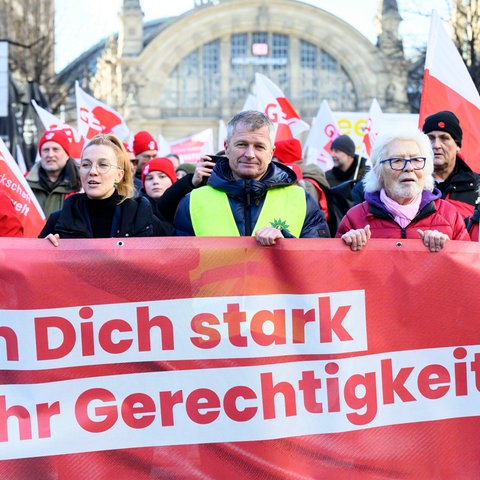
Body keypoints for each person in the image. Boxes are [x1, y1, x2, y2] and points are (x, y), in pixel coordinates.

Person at [174, 110, 330, 244]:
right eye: (241, 144)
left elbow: (317, 264)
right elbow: (182, 267)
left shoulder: (302, 201)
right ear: (227, 148)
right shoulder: (192, 202)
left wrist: (286, 244)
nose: (250, 154)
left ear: (271, 153)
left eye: (259, 147)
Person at [336, 129, 470, 252]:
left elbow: (467, 270)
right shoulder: (354, 218)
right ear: (379, 172)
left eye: (417, 160)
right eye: (397, 160)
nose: (409, 168)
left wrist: (449, 251)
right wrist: (348, 249)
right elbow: (335, 271)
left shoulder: (450, 215)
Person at [39, 134, 173, 244]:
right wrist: (44, 250)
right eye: (86, 164)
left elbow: (171, 260)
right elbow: (35, 268)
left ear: (119, 175)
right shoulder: (59, 219)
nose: (93, 171)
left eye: (102, 165)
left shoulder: (141, 216)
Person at [422, 110, 480, 218]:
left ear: (457, 145)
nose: (436, 145)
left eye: (444, 138)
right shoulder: (413, 185)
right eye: (430, 138)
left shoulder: (477, 187)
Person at [27, 129, 82, 217]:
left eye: (55, 149)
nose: (50, 154)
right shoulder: (24, 185)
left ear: (67, 155)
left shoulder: (82, 184)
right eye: (45, 150)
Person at [326, 134, 370, 235]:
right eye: (331, 150)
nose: (332, 154)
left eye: (337, 151)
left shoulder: (366, 176)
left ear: (349, 154)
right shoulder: (327, 178)